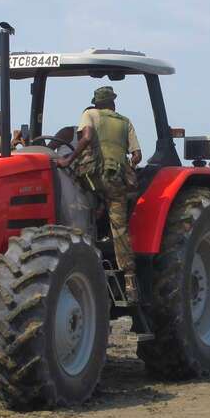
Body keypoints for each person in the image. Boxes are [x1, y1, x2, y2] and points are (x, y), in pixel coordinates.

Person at [57, 86, 142, 302]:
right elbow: (137, 155)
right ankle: (130, 282)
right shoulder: (125, 121)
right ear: (113, 102)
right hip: (116, 180)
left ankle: (83, 259)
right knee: (119, 227)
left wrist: (69, 159)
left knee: (74, 198)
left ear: (96, 102)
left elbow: (85, 137)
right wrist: (126, 165)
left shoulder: (90, 114)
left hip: (92, 179)